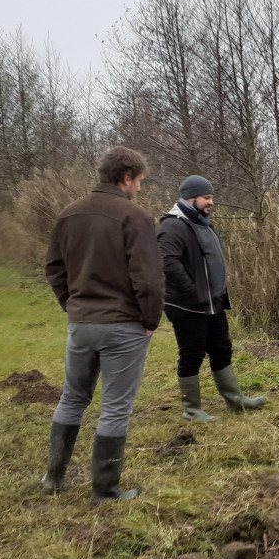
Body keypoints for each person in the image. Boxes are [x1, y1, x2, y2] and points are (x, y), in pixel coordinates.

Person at [44, 147, 164, 502]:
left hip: (81, 323)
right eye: (139, 181)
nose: (140, 189)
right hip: (123, 325)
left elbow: (54, 268)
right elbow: (149, 279)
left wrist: (74, 306)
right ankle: (105, 490)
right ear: (127, 177)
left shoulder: (68, 214)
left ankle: (53, 478)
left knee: (72, 399)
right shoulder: (135, 217)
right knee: (115, 407)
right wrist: (150, 320)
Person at [158, 175, 266, 421]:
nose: (211, 202)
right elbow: (167, 262)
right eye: (206, 197)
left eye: (211, 197)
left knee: (221, 349)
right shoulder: (173, 225)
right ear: (190, 197)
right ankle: (193, 410)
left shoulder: (201, 221)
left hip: (212, 302)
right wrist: (192, 291)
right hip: (188, 305)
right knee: (192, 354)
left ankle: (235, 401)